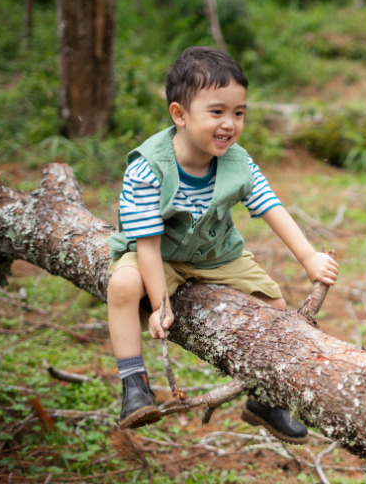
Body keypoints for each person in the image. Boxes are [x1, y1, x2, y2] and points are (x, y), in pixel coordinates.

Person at [106, 46, 339, 443]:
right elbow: (146, 243)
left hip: (218, 255)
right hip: (160, 254)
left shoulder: (238, 161)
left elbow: (270, 207)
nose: (229, 124)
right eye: (217, 112)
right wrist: (161, 301)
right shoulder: (148, 167)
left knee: (275, 308)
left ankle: (263, 399)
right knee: (123, 287)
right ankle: (134, 384)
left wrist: (309, 256)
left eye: (239, 112)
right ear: (179, 115)